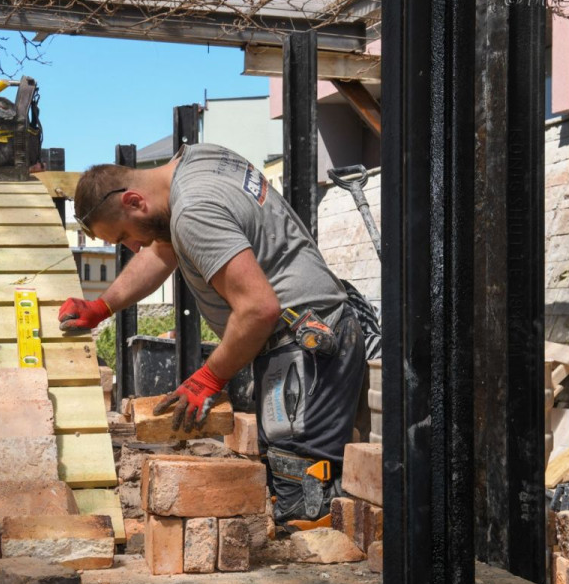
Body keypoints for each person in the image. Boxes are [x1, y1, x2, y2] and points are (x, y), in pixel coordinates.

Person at [57, 143, 368, 529]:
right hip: (315, 333)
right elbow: (162, 251)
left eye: (124, 236)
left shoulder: (193, 210)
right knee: (323, 493)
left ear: (135, 201)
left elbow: (257, 309)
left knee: (306, 511)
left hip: (306, 352)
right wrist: (103, 306)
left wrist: (209, 377)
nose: (132, 247)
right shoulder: (197, 162)